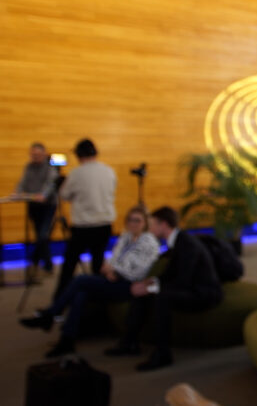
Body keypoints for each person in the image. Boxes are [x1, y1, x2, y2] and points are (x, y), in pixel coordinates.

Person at [19, 206, 160, 358]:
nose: (133, 223)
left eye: (137, 220)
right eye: (131, 220)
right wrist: (110, 270)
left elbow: (139, 271)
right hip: (113, 279)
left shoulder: (148, 242)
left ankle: (50, 315)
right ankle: (66, 341)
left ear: (145, 223)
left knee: (80, 280)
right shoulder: (126, 237)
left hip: (130, 285)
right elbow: (113, 260)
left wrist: (116, 272)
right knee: (81, 293)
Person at [105, 206, 222, 371]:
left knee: (162, 298)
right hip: (191, 287)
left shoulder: (187, 244)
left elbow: (183, 280)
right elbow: (171, 273)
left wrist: (153, 288)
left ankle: (162, 354)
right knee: (143, 293)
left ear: (164, 224)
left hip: (204, 293)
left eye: (153, 224)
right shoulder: (177, 241)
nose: (150, 228)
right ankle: (129, 342)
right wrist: (149, 283)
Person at [55, 138, 117, 300]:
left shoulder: (76, 173)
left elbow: (65, 195)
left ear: (79, 155)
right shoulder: (109, 171)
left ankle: (59, 301)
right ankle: (99, 300)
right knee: (98, 263)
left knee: (69, 264)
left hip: (83, 227)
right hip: (104, 224)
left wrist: (61, 184)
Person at [14, 142, 58, 277]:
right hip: (33, 206)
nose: (35, 157)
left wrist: (43, 195)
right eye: (33, 155)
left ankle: (42, 263)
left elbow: (51, 184)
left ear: (44, 154)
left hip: (48, 206)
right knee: (40, 236)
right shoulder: (28, 167)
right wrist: (17, 193)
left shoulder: (50, 167)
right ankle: (39, 262)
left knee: (42, 236)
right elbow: (22, 183)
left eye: (38, 154)